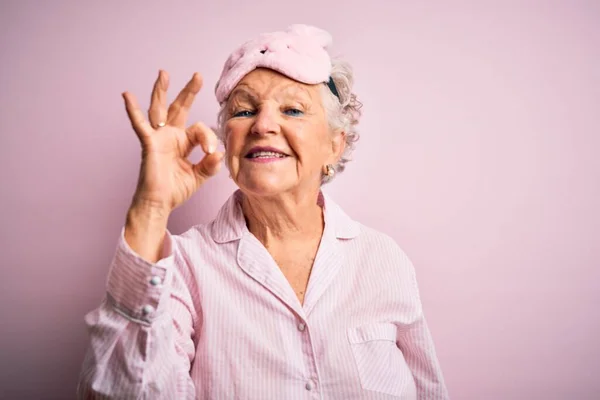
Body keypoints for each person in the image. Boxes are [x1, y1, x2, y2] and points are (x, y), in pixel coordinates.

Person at [77, 24, 449, 399]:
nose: (263, 125)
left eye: (292, 109)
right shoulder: (185, 265)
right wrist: (151, 208)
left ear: (334, 145)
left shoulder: (383, 259)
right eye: (244, 110)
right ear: (228, 140)